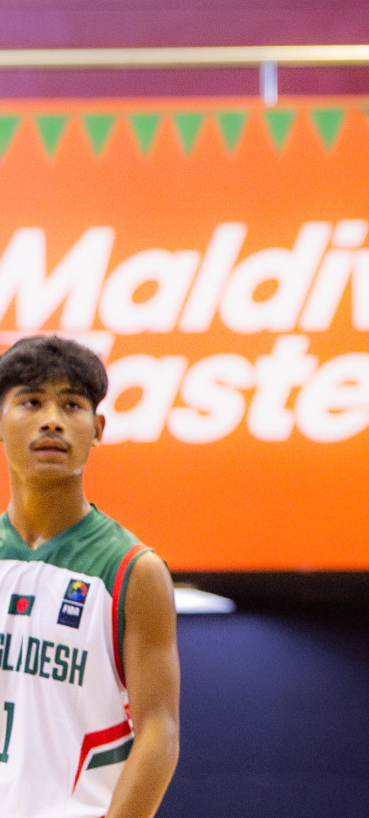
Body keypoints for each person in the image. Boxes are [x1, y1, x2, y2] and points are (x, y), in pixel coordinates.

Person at [0, 335, 180, 818]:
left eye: (71, 404)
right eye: (31, 401)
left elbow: (159, 731)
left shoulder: (132, 570)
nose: (52, 419)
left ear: (97, 428)